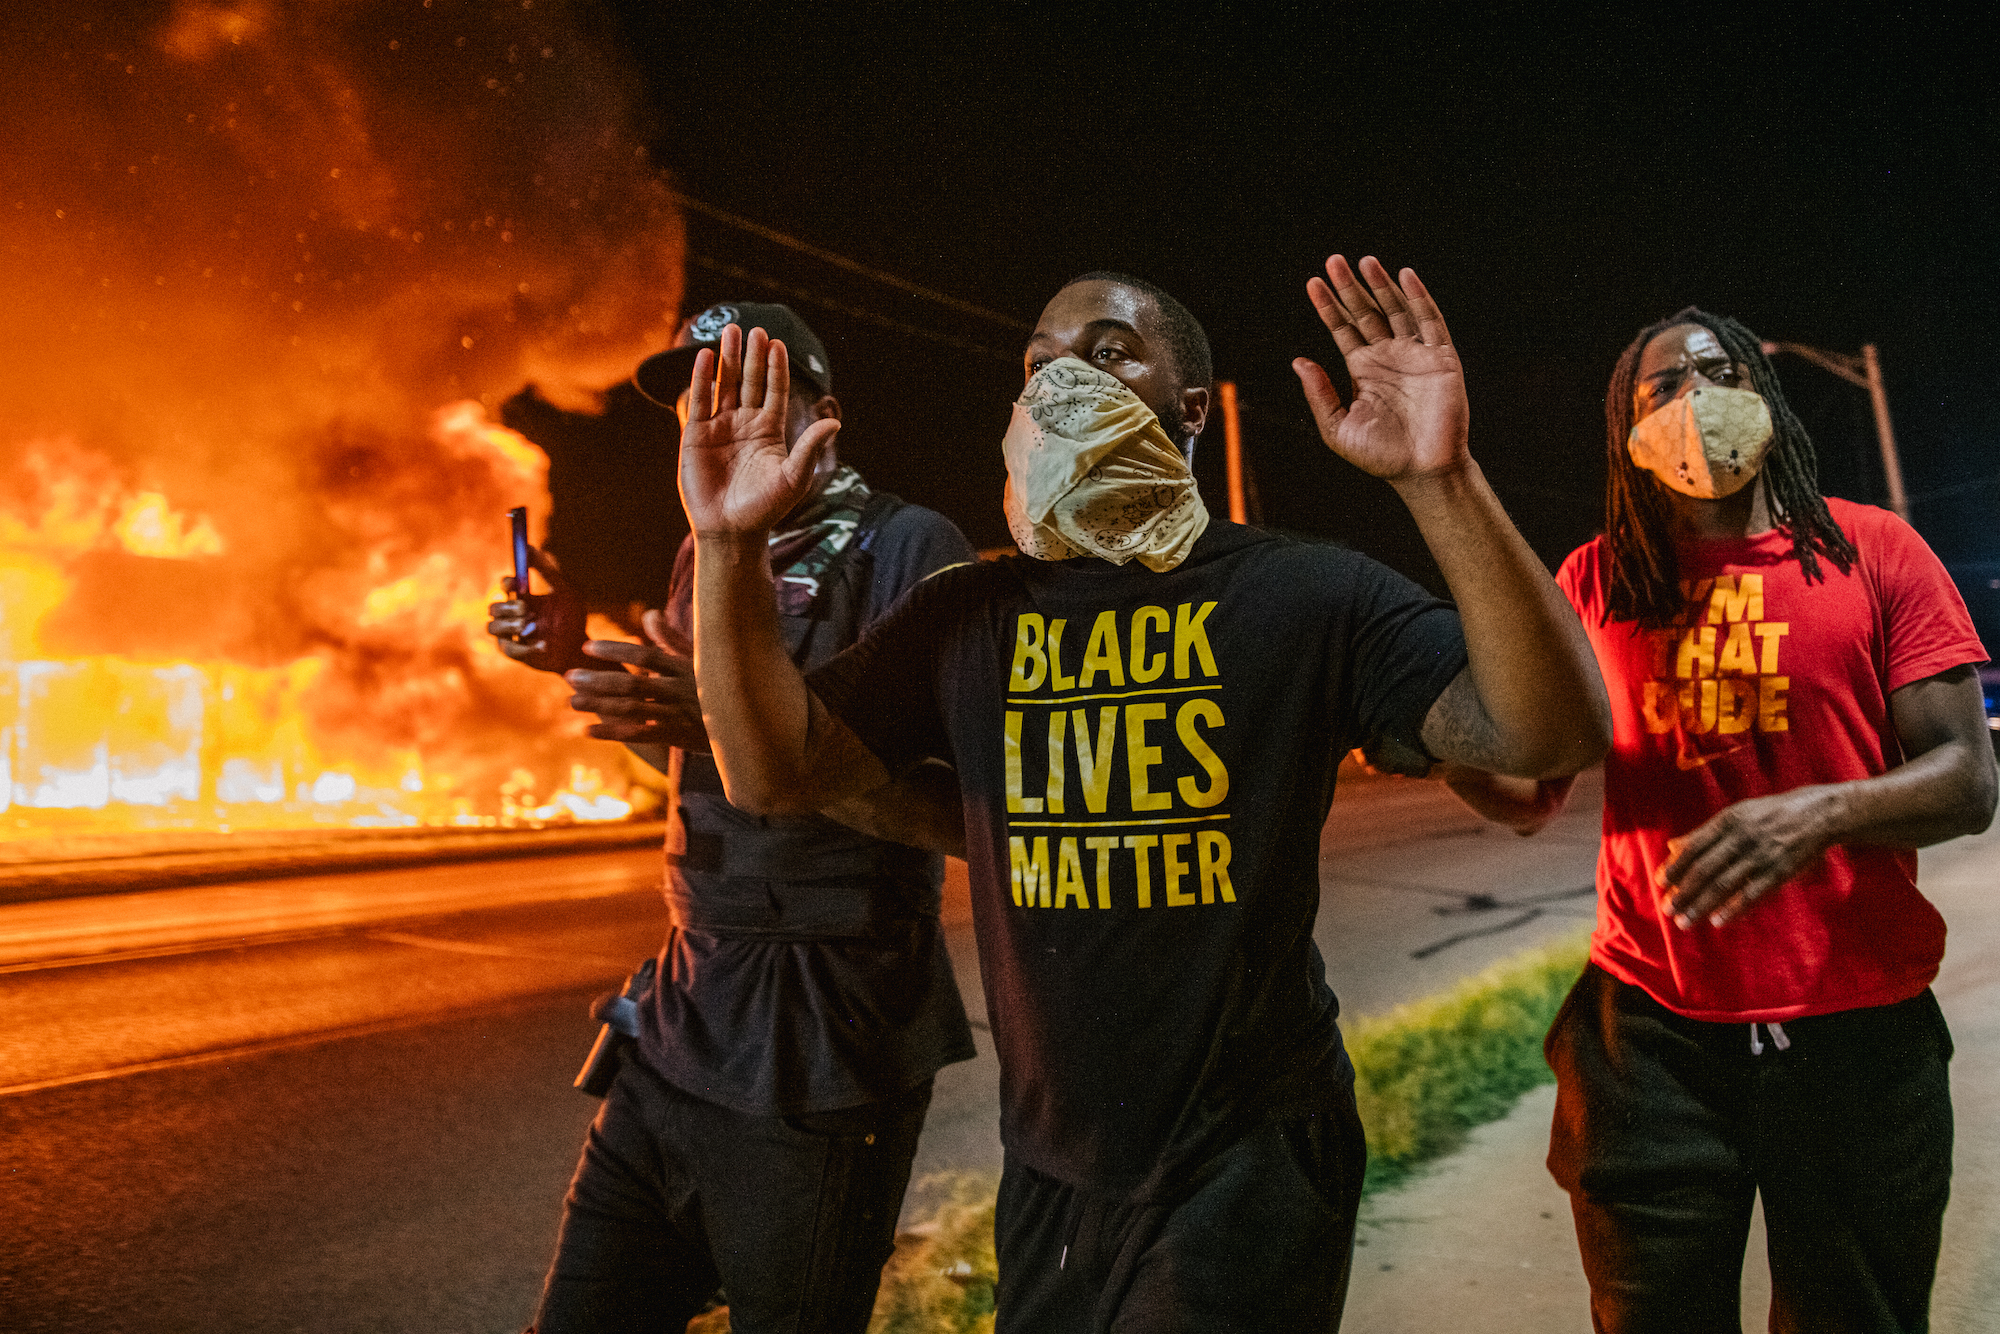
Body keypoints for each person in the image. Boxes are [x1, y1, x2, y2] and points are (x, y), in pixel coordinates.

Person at [672, 257, 1613, 1331]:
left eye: (1108, 352)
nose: (1061, 376)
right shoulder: (970, 613)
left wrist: (1435, 478)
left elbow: (1547, 732)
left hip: (1246, 1157)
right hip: (1052, 1170)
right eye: (1038, 363)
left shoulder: (1301, 591)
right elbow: (774, 769)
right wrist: (727, 541)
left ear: (1188, 408)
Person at [1443, 308, 1997, 1332]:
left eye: (1717, 369)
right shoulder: (1593, 580)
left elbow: (1966, 780)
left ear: (1766, 397)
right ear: (1624, 434)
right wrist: (1431, 728)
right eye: (1657, 388)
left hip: (1856, 1034)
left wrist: (1817, 814)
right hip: (1652, 1040)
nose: (1692, 397)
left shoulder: (1873, 551)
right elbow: (1525, 792)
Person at [488, 301, 980, 1334]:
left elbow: (971, 814)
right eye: (702, 389)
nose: (724, 407)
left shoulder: (909, 545)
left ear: (825, 415)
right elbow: (683, 763)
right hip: (679, 1020)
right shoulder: (703, 553)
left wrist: (733, 734)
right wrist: (574, 655)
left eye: (756, 383)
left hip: (823, 1037)